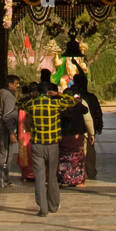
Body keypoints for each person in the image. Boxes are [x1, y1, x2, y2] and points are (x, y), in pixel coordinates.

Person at [24, 80, 76, 216]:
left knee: (39, 177)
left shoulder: (31, 104)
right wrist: (58, 94)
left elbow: (19, 103)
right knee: (52, 176)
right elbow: (74, 101)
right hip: (52, 145)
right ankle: (53, 205)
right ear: (49, 92)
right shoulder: (55, 104)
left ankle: (43, 208)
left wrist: (32, 95)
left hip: (37, 145)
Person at [57, 88, 95, 188]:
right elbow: (85, 111)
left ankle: (63, 179)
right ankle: (78, 181)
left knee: (64, 158)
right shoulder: (78, 104)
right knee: (77, 158)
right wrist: (91, 133)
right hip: (77, 136)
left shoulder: (60, 106)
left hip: (64, 135)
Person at [0, 75, 20, 188]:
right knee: (5, 153)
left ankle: (5, 179)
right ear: (10, 84)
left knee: (5, 152)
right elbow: (7, 116)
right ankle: (1, 180)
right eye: (16, 83)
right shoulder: (8, 96)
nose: (18, 86)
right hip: (4, 128)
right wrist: (12, 132)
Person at [73, 70, 103, 180]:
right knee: (90, 152)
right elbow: (97, 113)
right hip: (87, 130)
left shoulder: (74, 98)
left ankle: (78, 173)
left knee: (76, 152)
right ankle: (90, 172)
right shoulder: (91, 97)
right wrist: (97, 128)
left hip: (75, 129)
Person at [17, 82, 37, 182]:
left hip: (25, 132)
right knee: (28, 153)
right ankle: (29, 174)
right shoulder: (29, 103)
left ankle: (28, 174)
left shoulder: (23, 102)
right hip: (28, 131)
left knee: (27, 153)